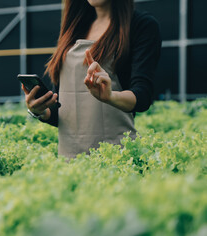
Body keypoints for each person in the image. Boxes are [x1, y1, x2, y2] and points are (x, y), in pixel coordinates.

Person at [22, 0, 161, 158]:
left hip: (116, 160)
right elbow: (64, 110)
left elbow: (143, 96)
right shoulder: (74, 27)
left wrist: (110, 96)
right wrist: (40, 111)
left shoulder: (141, 25)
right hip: (69, 162)